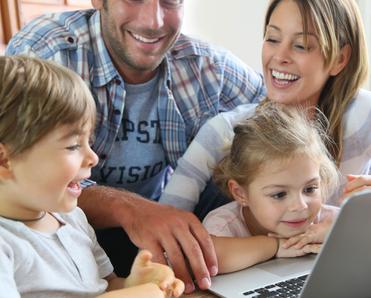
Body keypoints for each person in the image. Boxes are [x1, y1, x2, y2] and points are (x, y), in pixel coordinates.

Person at [5, 0, 266, 292]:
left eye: (170, 1)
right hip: (84, 220)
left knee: (243, 162)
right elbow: (19, 176)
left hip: (142, 228)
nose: (153, 21)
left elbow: (279, 109)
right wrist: (130, 210)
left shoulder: (206, 65)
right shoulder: (46, 57)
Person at [160, 0, 371, 211]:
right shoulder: (225, 131)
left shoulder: (363, 114)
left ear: (340, 59)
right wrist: (272, 246)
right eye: (272, 39)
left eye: (301, 45)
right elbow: (166, 219)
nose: (279, 57)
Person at [0, 55, 184, 298]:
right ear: (5, 160)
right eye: (73, 145)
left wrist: (134, 284)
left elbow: (104, 287)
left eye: (89, 141)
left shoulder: (73, 218)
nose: (93, 158)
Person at [203, 101, 339, 273]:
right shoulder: (224, 226)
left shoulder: (328, 221)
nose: (301, 205)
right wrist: (275, 246)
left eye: (309, 189)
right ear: (240, 193)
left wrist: (338, 235)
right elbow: (209, 260)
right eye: (280, 194)